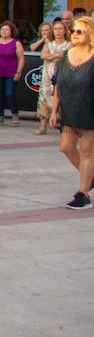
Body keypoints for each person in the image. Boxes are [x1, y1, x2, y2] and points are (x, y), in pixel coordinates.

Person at [51, 17, 94, 209]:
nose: (74, 34)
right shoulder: (65, 56)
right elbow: (58, 85)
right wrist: (53, 111)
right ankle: (90, 177)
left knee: (87, 152)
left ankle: (83, 194)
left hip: (90, 111)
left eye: (79, 31)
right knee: (66, 147)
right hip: (69, 110)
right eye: (73, 31)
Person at [36, 20, 70, 135]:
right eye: (55, 29)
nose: (58, 31)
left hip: (63, 75)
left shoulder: (69, 44)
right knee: (44, 98)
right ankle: (43, 126)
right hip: (47, 76)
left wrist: (53, 57)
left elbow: (68, 58)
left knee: (62, 99)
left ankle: (64, 126)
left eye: (60, 29)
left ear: (65, 30)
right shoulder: (49, 44)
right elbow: (43, 55)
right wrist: (56, 56)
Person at [0, 21, 23, 126]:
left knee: (10, 93)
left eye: (6, 29)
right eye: (2, 29)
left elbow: (21, 58)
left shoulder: (16, 42)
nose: (4, 31)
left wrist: (19, 72)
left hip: (11, 73)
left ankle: (15, 114)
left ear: (11, 31)